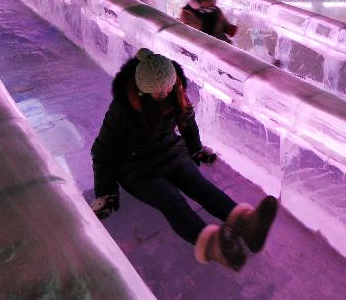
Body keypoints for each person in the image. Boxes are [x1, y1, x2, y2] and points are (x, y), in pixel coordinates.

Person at [90, 49, 279, 270]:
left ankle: (247, 225)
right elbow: (102, 149)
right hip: (134, 165)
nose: (165, 92)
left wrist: (196, 149)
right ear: (143, 90)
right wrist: (106, 192)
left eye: (168, 87)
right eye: (159, 91)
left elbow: (187, 121)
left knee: (199, 186)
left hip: (170, 150)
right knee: (170, 199)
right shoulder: (123, 107)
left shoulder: (176, 89)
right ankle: (212, 245)